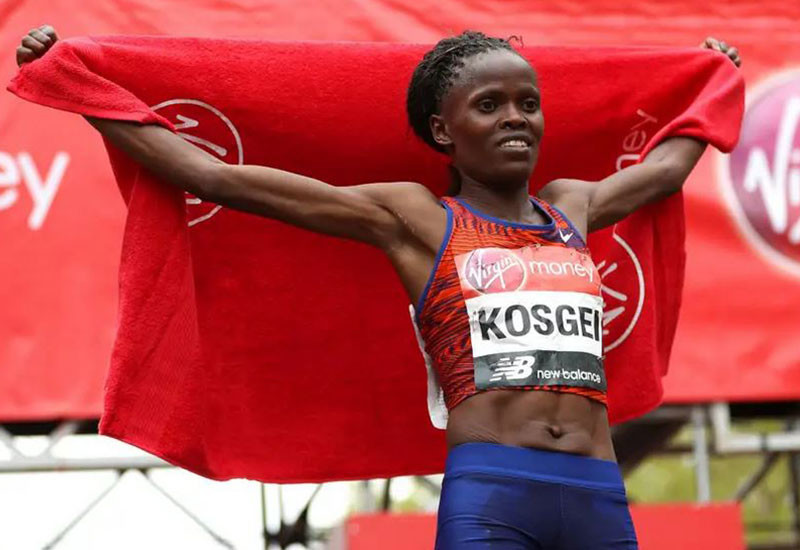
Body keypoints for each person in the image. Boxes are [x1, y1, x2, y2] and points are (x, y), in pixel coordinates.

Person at [17, 26, 740, 549]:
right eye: (489, 104)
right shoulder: (417, 219)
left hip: (598, 491)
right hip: (495, 494)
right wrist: (79, 86)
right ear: (443, 131)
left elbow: (666, 170)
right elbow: (212, 177)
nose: (515, 117)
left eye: (528, 102)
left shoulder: (572, 207)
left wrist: (714, 80)